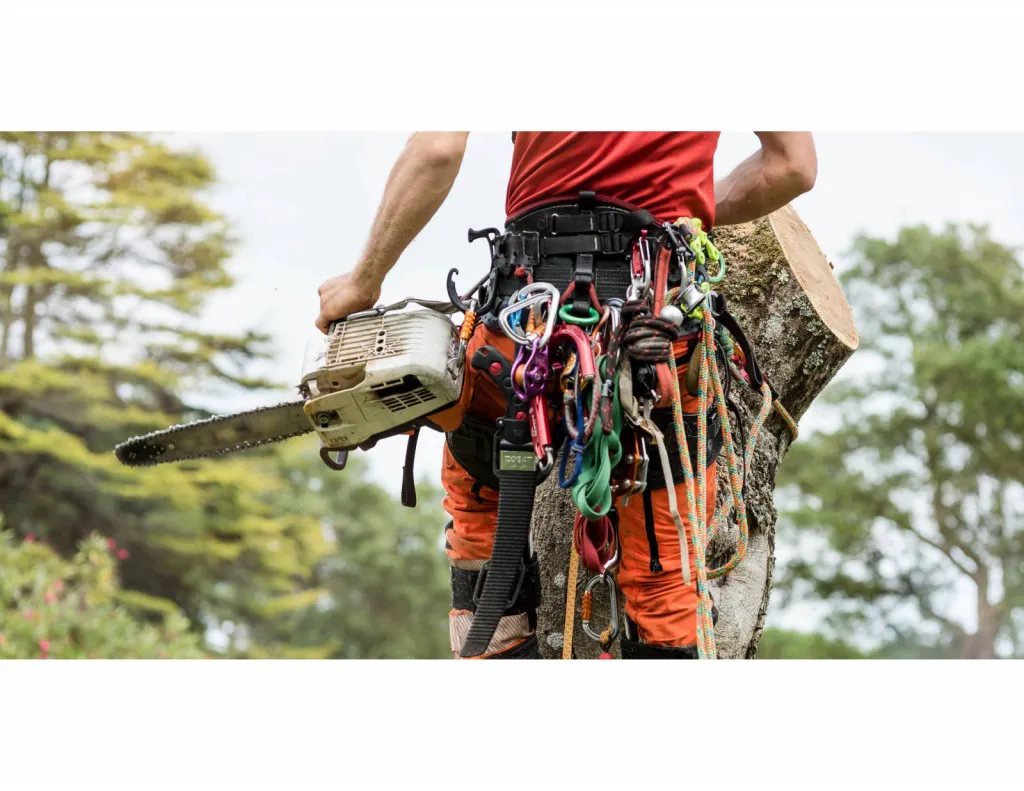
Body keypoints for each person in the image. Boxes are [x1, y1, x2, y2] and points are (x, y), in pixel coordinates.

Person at [316, 132, 817, 659]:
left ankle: (494, 650)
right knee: (666, 582)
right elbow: (792, 167)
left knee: (480, 532)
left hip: (525, 320)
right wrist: (669, 216)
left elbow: (437, 149)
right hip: (658, 333)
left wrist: (362, 283)